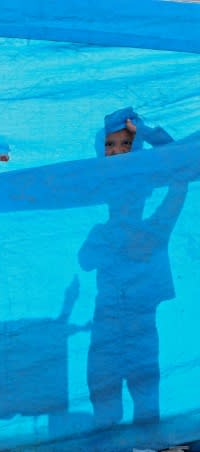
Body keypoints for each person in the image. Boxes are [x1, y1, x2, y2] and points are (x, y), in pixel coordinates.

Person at [79, 107, 187, 428]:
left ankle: (145, 444)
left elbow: (180, 177)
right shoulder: (102, 232)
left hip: (140, 329)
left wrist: (149, 134)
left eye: (125, 146)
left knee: (145, 399)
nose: (116, 153)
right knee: (104, 399)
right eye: (110, 147)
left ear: (145, 191)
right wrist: (108, 238)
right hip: (105, 328)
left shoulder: (155, 229)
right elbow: (84, 261)